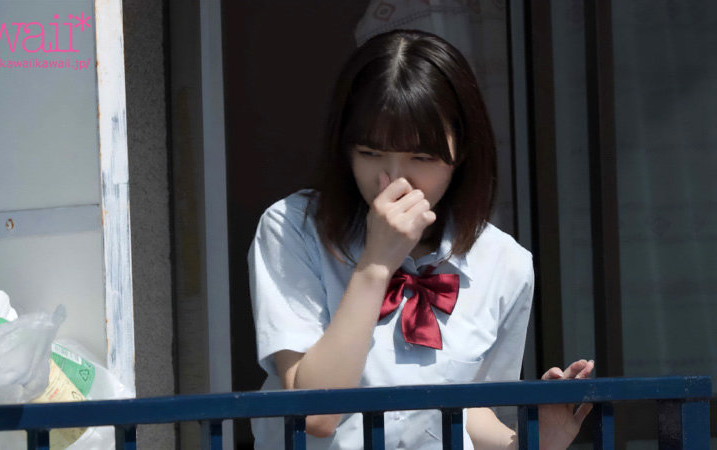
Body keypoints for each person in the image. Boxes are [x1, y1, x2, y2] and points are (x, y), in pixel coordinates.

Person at [248, 29, 594, 449]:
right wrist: (376, 264)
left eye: (422, 157)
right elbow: (315, 415)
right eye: (370, 153)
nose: (394, 180)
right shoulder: (293, 228)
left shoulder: (504, 262)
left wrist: (531, 442)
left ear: (461, 152)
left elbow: (468, 410)